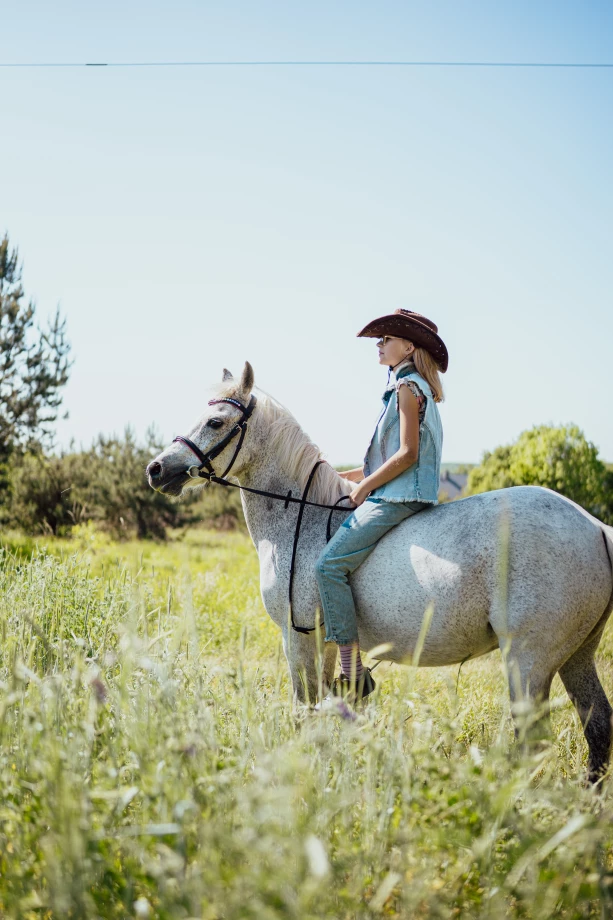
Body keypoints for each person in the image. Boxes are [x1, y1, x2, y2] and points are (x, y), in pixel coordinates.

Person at [314, 309, 448, 702]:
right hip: (404, 491)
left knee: (329, 566)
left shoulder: (408, 387)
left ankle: (351, 670)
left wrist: (364, 489)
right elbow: (382, 461)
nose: (379, 344)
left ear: (408, 346)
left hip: (398, 497)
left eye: (385, 339)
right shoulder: (414, 386)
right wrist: (338, 476)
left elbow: (406, 455)